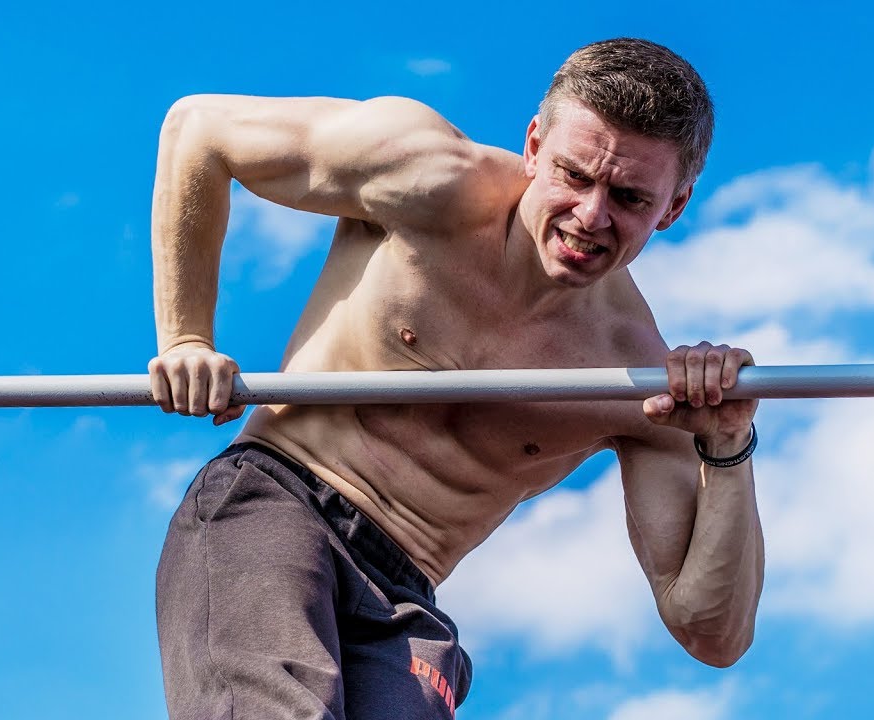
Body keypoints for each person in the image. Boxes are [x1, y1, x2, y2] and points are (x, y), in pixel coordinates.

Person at [149, 38, 764, 720]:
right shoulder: (428, 179)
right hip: (279, 500)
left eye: (627, 197)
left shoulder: (632, 376)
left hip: (408, 590)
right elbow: (199, 130)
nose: (591, 216)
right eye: (573, 176)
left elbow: (711, 634)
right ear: (535, 145)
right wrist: (186, 339)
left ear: (672, 208)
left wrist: (729, 447)